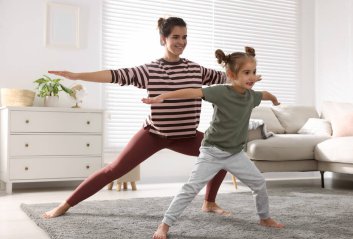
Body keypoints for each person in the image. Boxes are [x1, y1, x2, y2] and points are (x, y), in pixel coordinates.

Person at [43, 17, 230, 219]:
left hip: (187, 136)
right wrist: (78, 75)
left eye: (184, 37)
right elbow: (115, 75)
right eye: (175, 37)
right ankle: (65, 204)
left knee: (224, 155)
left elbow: (228, 78)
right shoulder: (150, 70)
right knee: (113, 170)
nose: (181, 42)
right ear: (163, 39)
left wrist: (249, 75)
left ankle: (209, 203)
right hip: (154, 135)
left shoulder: (196, 70)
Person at [142, 46, 284, 239]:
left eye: (253, 73)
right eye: (246, 73)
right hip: (212, 152)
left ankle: (264, 217)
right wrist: (162, 97)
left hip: (235, 154)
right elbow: (190, 92)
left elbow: (265, 94)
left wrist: (275, 100)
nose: (251, 77)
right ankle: (164, 224)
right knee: (191, 188)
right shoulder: (220, 92)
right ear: (231, 74)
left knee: (259, 182)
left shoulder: (252, 96)